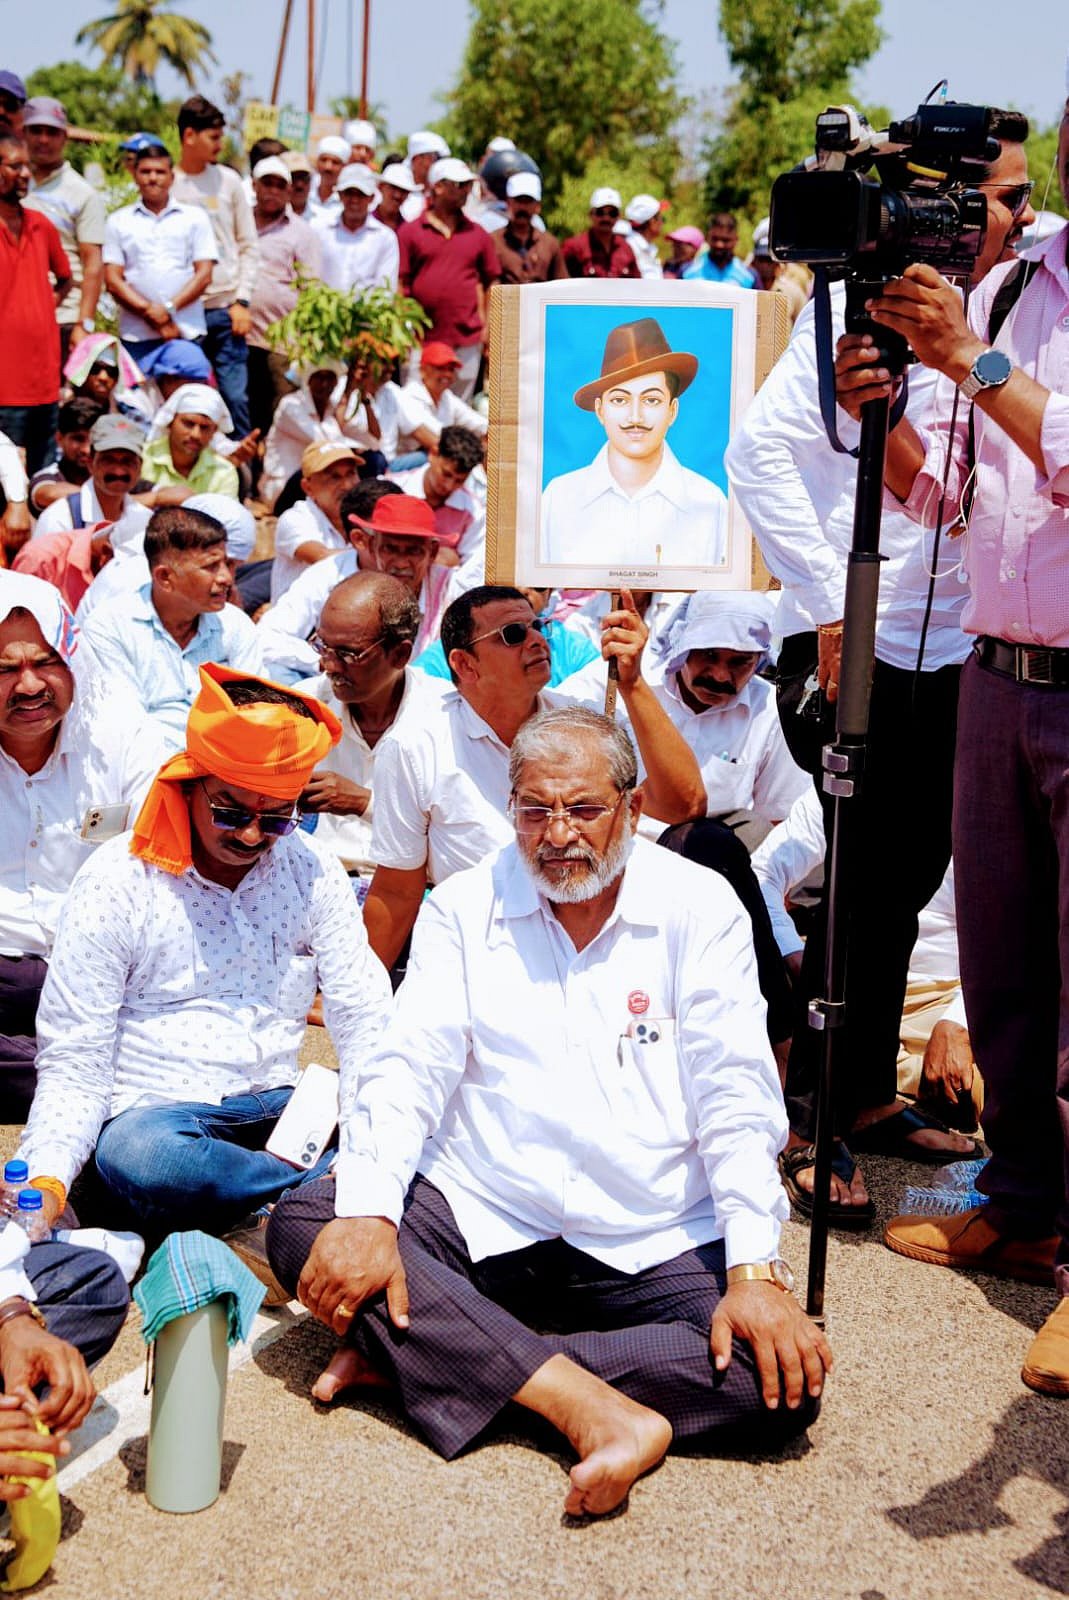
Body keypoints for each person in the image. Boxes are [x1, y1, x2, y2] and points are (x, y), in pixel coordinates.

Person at [267, 706, 829, 1515]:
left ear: (633, 811)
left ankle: (434, 1356)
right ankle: (587, 1403)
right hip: (488, 1207)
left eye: (584, 808)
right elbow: (407, 1069)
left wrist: (751, 1271)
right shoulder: (464, 904)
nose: (557, 833)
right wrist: (367, 1217)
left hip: (650, 1226)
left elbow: (736, 1096)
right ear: (510, 810)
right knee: (309, 1224)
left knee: (777, 1380)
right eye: (534, 810)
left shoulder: (699, 907)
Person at [725, 114, 1033, 1222]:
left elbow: (951, 484)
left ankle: (860, 1097)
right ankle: (811, 1110)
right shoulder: (853, 299)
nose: (1015, 216)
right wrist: (822, 603)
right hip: (877, 632)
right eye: (996, 197)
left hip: (971, 641)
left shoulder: (1013, 304)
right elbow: (755, 453)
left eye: (1018, 196)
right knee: (858, 883)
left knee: (906, 881)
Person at [833, 74, 1069, 1394]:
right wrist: (886, 418)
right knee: (1005, 971)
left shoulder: (993, 329)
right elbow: (961, 495)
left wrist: (967, 367)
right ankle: (1023, 1200)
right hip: (995, 668)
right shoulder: (1007, 294)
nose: (1004, 209)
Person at [17, 664, 391, 1269]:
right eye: (230, 811)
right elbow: (75, 1059)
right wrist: (48, 1178)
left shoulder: (311, 868)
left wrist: (376, 1136)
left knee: (418, 1107)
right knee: (146, 1159)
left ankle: (280, 1203)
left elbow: (364, 1015)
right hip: (159, 1114)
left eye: (276, 818)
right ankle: (310, 1197)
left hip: (279, 1103)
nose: (251, 835)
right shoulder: (118, 880)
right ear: (191, 783)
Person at [364, 584, 706, 970]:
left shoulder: (583, 723)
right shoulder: (416, 746)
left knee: (711, 845)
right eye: (513, 634)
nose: (536, 640)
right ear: (464, 665)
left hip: (596, 935)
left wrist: (633, 684)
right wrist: (356, 996)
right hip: (491, 947)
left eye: (538, 626)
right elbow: (396, 889)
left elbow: (684, 805)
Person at [0, 571, 164, 1117]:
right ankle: (97, 1075)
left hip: (102, 971)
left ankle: (70, 1071)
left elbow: (160, 862)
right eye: (5, 669)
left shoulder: (119, 729)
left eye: (46, 662)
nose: (29, 686)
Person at [541, 317, 729, 568]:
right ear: (600, 410)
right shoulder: (559, 497)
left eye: (651, 400)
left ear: (672, 410)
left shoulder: (709, 501)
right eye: (620, 400)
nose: (635, 417)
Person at [297, 571, 446, 884]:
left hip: (412, 892)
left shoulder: (445, 717)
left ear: (401, 654)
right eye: (323, 646)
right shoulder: (301, 707)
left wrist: (363, 802)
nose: (330, 665)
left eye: (349, 654)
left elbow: (455, 835)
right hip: (317, 885)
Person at [80, 505, 263, 747]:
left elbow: (256, 711)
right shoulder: (109, 628)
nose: (226, 578)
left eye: (227, 565)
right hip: (147, 771)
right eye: (210, 567)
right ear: (165, 577)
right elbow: (126, 730)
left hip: (227, 764)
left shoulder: (235, 624)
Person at [258, 488, 450, 683]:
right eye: (390, 549)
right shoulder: (327, 574)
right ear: (371, 545)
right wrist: (327, 660)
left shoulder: (450, 587)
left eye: (413, 552)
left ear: (432, 552)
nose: (401, 563)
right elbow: (267, 636)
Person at [173, 95, 260, 437]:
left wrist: (242, 301)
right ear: (189, 136)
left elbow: (248, 245)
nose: (220, 144)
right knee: (188, 398)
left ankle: (243, 479)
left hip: (226, 310)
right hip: (183, 312)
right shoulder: (169, 183)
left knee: (234, 397)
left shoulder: (229, 181)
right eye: (214, 136)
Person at [102, 143, 217, 368]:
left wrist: (169, 310)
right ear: (135, 176)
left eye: (160, 172)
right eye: (145, 172)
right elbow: (113, 280)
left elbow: (203, 275)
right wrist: (151, 313)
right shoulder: (118, 221)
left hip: (185, 332)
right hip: (136, 337)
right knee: (136, 402)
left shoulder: (194, 218)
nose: (152, 178)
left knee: (187, 400)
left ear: (172, 177)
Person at [398, 158, 500, 402]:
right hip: (421, 340)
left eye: (467, 185)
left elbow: (491, 283)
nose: (466, 191)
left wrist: (488, 327)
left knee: (458, 408)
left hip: (466, 340)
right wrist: (404, 330)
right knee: (416, 406)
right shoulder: (410, 232)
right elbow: (401, 284)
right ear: (439, 187)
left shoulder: (479, 235)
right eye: (459, 185)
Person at [0, 134, 71, 476]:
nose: (25, 173)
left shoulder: (42, 226)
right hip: (3, 385)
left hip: (44, 382)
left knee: (43, 481)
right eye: (15, 165)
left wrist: (41, 309)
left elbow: (66, 277)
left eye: (26, 165)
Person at [22, 97, 105, 365]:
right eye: (36, 131)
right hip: (15, 314)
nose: (43, 140)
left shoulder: (82, 193)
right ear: (23, 133)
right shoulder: (12, 182)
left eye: (52, 132)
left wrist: (85, 324)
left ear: (64, 138)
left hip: (64, 317)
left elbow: (92, 262)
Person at [247, 156, 322, 440]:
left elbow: (311, 289)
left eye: (281, 186)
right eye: (267, 184)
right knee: (245, 410)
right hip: (241, 336)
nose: (273, 191)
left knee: (280, 411)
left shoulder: (302, 233)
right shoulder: (241, 222)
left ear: (289, 192)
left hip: (282, 344)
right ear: (255, 186)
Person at [31, 415, 151, 553]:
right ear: (90, 463)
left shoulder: (145, 521)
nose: (118, 471)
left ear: (140, 467)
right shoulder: (60, 519)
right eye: (108, 460)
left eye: (127, 461)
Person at [261, 365, 365, 511]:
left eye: (330, 378)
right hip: (285, 488)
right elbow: (324, 444)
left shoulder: (330, 410)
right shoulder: (291, 404)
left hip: (317, 484)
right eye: (319, 378)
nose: (324, 384)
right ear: (308, 380)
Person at [271, 443, 361, 601]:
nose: (347, 486)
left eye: (351, 474)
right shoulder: (295, 518)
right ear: (308, 487)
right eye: (334, 477)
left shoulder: (363, 516)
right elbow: (323, 557)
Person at [388, 425, 484, 562]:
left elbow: (471, 565)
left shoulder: (474, 512)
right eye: (446, 474)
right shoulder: (393, 490)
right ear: (433, 454)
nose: (449, 486)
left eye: (459, 481)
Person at [141, 383, 240, 499]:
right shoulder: (142, 458)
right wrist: (156, 499)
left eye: (205, 427)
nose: (196, 435)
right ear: (170, 422)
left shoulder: (224, 472)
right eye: (189, 424)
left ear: (214, 432)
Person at [392, 342, 488, 458]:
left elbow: (478, 423)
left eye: (451, 370)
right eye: (440, 368)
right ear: (423, 370)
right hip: (405, 463)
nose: (447, 374)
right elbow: (434, 439)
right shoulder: (409, 396)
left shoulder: (447, 397)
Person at [316, 163, 399, 294]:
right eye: (349, 193)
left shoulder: (385, 238)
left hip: (368, 313)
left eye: (361, 194)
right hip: (323, 310)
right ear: (340, 195)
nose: (354, 200)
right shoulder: (320, 230)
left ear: (371, 198)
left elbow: (385, 290)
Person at [27, 396, 102, 516]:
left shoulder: (108, 476)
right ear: (59, 439)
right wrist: (119, 501)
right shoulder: (47, 478)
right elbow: (49, 493)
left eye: (93, 440)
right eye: (78, 439)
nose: (86, 450)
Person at [492, 173, 566, 285]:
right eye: (518, 200)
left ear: (538, 206)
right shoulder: (493, 242)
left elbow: (562, 285)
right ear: (508, 203)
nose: (522, 207)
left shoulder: (550, 244)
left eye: (528, 201)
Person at [561, 188, 642, 281]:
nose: (606, 218)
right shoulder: (574, 247)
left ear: (619, 216)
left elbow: (637, 286)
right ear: (591, 214)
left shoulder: (625, 248)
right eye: (600, 212)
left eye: (612, 213)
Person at [684, 214, 758, 287]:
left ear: (736, 240)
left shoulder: (749, 276)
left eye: (725, 240)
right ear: (707, 238)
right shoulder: (688, 272)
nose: (719, 245)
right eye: (715, 239)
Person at [401, 131, 449, 222]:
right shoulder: (398, 192)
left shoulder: (442, 194)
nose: (440, 164)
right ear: (417, 159)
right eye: (436, 157)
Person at [310, 135, 351, 220]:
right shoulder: (306, 192)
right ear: (317, 162)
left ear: (344, 166)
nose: (328, 167)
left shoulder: (348, 199)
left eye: (335, 162)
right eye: (324, 160)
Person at [624, 194, 664, 279]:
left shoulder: (646, 247)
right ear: (652, 221)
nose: (662, 223)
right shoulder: (630, 248)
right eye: (661, 218)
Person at [372, 162, 419, 233]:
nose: (398, 195)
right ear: (380, 187)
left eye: (403, 191)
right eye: (393, 188)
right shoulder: (362, 222)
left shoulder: (408, 231)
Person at [282, 149, 314, 218]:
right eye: (293, 178)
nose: (299, 185)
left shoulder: (323, 219)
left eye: (304, 178)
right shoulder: (267, 217)